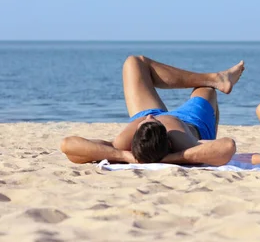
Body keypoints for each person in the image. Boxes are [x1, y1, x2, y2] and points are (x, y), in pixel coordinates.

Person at [61, 55, 245, 166]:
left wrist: (122, 155)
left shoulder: (123, 144)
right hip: (190, 121)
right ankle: (215, 80)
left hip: (149, 134)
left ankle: (216, 78)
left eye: (145, 122)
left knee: (135, 63)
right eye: (151, 120)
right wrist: (173, 158)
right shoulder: (184, 142)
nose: (150, 116)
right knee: (206, 90)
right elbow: (227, 147)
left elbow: (68, 146)